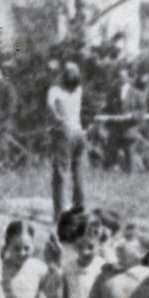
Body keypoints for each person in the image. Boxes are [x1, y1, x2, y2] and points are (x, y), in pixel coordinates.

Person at [45, 61, 89, 216]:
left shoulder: (55, 91)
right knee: (77, 171)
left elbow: (50, 107)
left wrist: (57, 119)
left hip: (65, 132)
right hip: (79, 132)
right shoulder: (78, 90)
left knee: (60, 173)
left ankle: (60, 212)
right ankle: (80, 206)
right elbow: (71, 77)